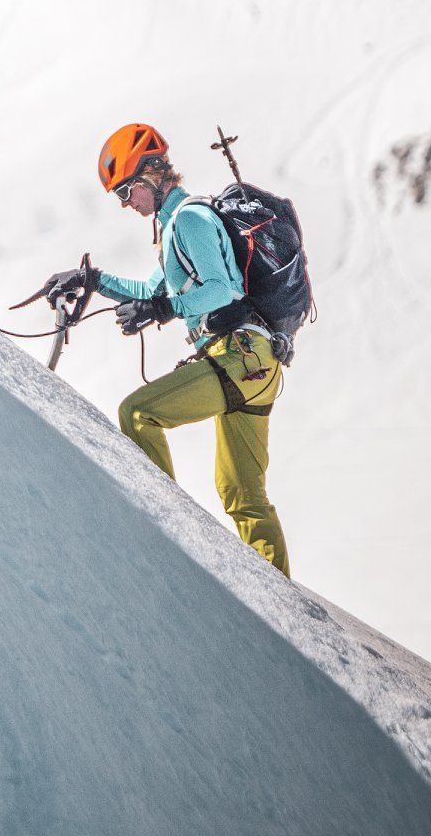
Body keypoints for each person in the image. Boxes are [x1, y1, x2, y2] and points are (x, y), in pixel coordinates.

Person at [41, 121, 290, 575]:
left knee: (138, 413)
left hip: (238, 357)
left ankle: (171, 546)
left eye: (126, 191)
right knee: (243, 497)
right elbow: (149, 289)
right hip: (259, 364)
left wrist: (165, 308)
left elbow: (221, 290)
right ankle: (289, 612)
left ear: (151, 176)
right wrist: (92, 280)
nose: (125, 204)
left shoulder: (190, 219)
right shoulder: (176, 224)